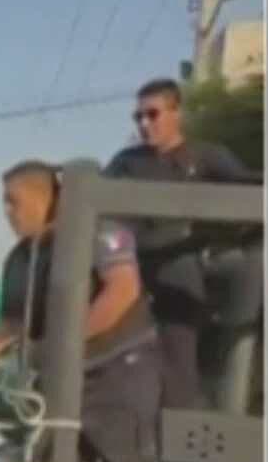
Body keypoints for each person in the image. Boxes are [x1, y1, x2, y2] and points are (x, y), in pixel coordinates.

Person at [0, 160, 163, 462]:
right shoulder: (19, 259)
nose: (7, 212)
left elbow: (122, 290)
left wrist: (63, 345)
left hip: (115, 378)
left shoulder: (99, 233)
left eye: (14, 201)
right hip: (56, 383)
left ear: (51, 200)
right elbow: (14, 319)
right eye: (4, 203)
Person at [103, 78, 251, 410]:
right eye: (138, 117)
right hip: (131, 263)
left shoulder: (206, 156)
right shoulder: (127, 161)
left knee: (178, 355)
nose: (144, 124)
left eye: (152, 114)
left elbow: (248, 189)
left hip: (182, 264)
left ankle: (179, 424)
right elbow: (97, 202)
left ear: (176, 113)